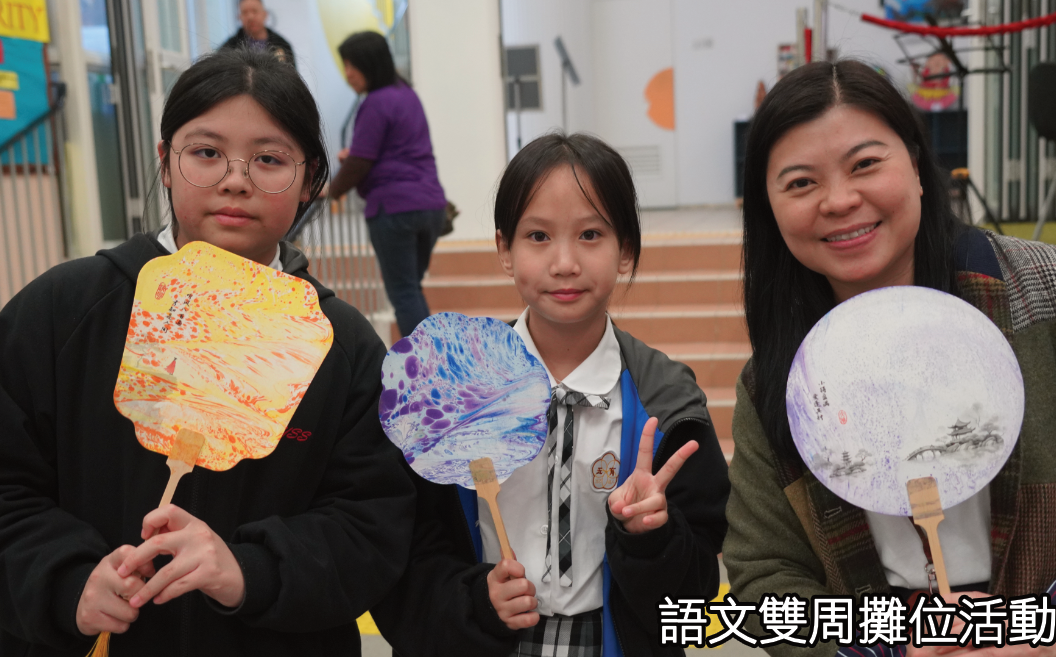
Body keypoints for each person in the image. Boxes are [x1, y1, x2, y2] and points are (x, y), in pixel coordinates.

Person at [0, 48, 414, 656]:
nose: (235, 180)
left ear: (309, 181)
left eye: (269, 159)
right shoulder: (63, 312)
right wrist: (65, 579)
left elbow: (369, 526)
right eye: (206, 153)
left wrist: (248, 570)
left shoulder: (342, 347)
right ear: (165, 162)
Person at [723, 59, 1056, 656]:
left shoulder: (1052, 294)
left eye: (865, 164)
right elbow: (763, 575)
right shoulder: (778, 383)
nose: (840, 200)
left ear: (915, 162)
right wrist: (887, 648)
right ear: (768, 209)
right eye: (801, 183)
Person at [371, 133, 731, 657]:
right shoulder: (453, 391)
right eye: (538, 236)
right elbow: (404, 555)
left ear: (626, 250)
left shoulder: (667, 402)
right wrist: (475, 601)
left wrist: (651, 537)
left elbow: (694, 591)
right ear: (505, 249)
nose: (564, 262)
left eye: (591, 234)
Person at [328, 31, 447, 338]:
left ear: (370, 63)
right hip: (431, 205)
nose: (348, 74)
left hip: (394, 208)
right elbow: (395, 149)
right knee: (411, 289)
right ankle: (430, 354)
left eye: (352, 65)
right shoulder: (407, 94)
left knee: (404, 293)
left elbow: (360, 161)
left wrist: (330, 191)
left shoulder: (375, 103)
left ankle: (423, 360)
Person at [220, 0, 294, 65]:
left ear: (265, 14)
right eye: (245, 12)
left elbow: (291, 74)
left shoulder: (282, 45)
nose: (250, 17)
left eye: (254, 11)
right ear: (239, 17)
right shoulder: (229, 48)